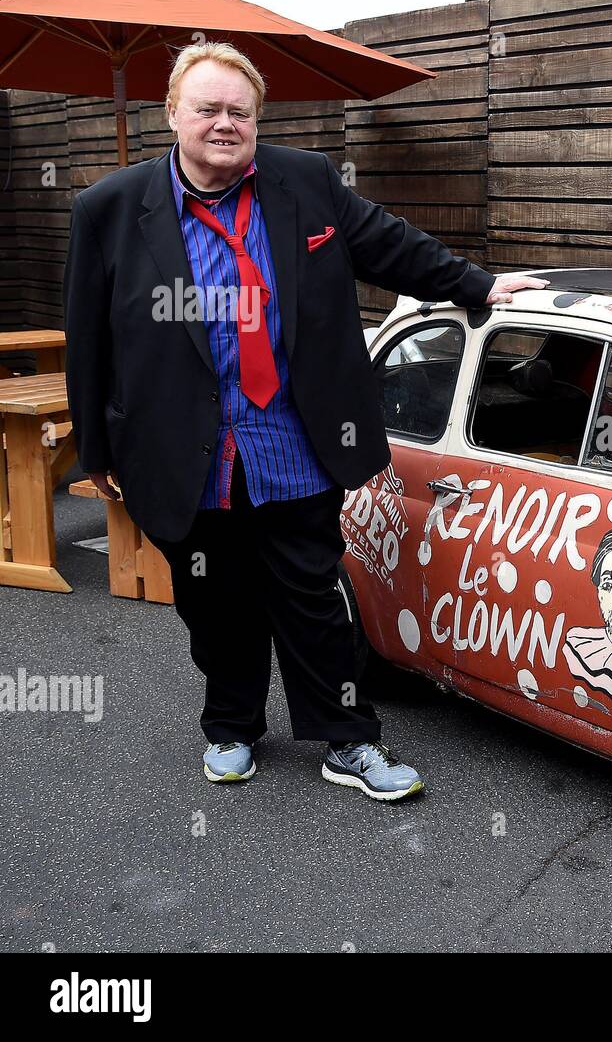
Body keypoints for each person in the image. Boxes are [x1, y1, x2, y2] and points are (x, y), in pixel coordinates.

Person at [63, 41, 547, 800]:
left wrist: (480, 286)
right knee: (213, 602)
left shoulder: (307, 181)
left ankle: (347, 740)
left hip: (295, 441)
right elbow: (87, 337)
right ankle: (231, 725)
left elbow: (390, 245)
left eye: (239, 112)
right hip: (182, 451)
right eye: (208, 109)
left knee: (313, 597)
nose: (225, 123)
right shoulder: (110, 209)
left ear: (256, 119)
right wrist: (93, 447)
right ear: (172, 115)